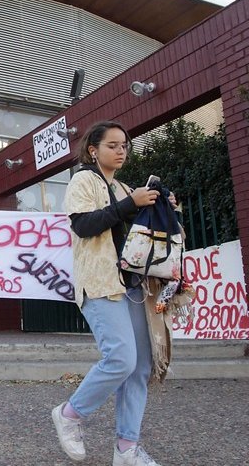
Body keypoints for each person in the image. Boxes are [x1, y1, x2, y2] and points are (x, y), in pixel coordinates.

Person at [52, 120, 166, 466]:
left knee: (140, 367)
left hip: (131, 287)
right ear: (93, 150)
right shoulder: (83, 180)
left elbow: (135, 235)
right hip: (100, 283)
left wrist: (162, 208)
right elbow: (83, 225)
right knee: (120, 359)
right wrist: (130, 204)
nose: (121, 151)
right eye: (113, 145)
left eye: (125, 146)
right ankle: (70, 414)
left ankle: (126, 450)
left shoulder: (123, 187)